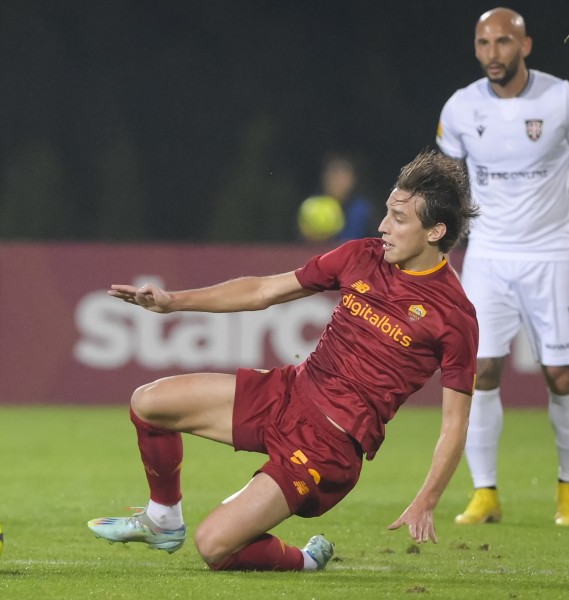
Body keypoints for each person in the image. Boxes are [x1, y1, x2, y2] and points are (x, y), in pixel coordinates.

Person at [87, 150, 480, 571]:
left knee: (214, 546)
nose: (383, 226)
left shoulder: (453, 316)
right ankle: (163, 520)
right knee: (148, 403)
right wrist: (173, 303)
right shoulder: (361, 256)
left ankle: (307, 560)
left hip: (328, 447)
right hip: (288, 392)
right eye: (386, 213)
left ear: (436, 230)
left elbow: (454, 425)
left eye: (399, 219)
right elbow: (262, 291)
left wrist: (427, 499)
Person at [436, 7, 569, 526]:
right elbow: (448, 182)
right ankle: (485, 494)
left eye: (503, 42)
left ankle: (568, 490)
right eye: (483, 43)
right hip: (488, 256)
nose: (493, 53)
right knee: (479, 371)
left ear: (526, 46)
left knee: (560, 375)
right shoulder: (462, 107)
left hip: (551, 254)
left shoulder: (560, 99)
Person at [299, 155, 376, 243]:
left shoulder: (362, 210)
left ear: (352, 180)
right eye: (334, 175)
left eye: (343, 176)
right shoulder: (310, 206)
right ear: (324, 178)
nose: (338, 181)